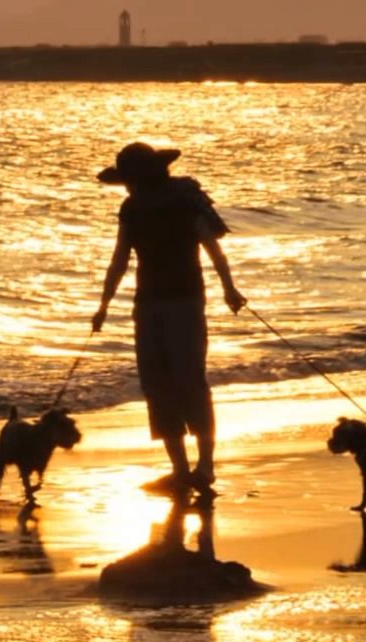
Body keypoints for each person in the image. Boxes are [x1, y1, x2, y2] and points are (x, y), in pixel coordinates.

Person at [92, 142, 246, 497]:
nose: (128, 186)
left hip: (185, 302)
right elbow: (120, 260)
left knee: (189, 382)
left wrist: (229, 288)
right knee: (157, 385)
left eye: (131, 180)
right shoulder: (131, 208)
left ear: (144, 178)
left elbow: (212, 247)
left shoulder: (183, 202)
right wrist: (103, 305)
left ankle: (204, 468)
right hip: (148, 305)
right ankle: (180, 470)